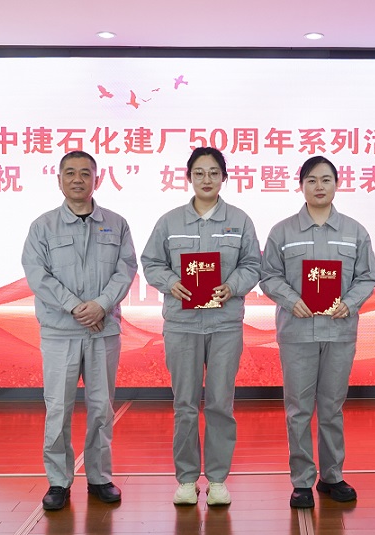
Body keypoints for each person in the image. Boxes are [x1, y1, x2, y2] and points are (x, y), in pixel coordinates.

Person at [141, 147, 261, 506]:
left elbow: (253, 264)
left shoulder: (240, 220)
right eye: (199, 173)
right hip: (182, 324)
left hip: (225, 324)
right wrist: (170, 282)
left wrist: (233, 286)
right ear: (189, 177)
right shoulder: (169, 222)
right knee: (185, 404)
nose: (206, 179)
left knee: (221, 403)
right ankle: (187, 479)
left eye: (213, 172)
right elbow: (151, 262)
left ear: (224, 177)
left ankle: (218, 479)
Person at [260, 155, 375, 508]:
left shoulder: (355, 232)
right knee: (298, 408)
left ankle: (332, 476)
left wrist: (350, 303)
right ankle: (301, 481)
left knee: (331, 407)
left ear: (337, 184)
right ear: (301, 186)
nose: (319, 186)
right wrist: (291, 299)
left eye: (326, 179)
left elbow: (368, 277)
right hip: (297, 331)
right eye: (311, 180)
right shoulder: (282, 232)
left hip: (339, 331)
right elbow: (268, 276)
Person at [22, 150, 138, 511]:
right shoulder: (43, 227)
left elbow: (126, 269)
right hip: (61, 331)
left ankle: (100, 477)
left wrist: (101, 304)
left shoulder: (117, 224)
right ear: (58, 180)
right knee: (58, 408)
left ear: (96, 179)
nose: (77, 179)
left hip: (103, 330)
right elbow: (37, 275)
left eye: (85, 173)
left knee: (101, 408)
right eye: (70, 173)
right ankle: (58, 481)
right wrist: (75, 306)